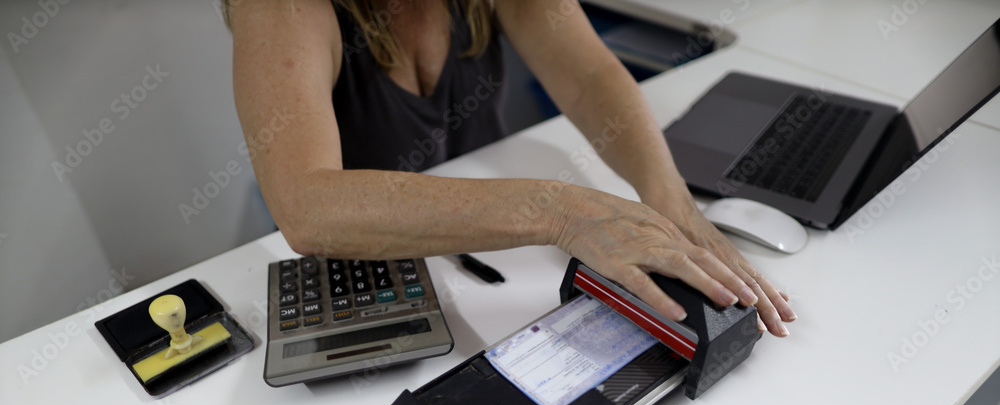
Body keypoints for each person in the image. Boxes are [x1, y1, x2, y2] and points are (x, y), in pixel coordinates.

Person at [223, 0, 796, 334]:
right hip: (350, 246)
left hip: (482, 227)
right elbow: (307, 206)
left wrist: (666, 192)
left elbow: (588, 74)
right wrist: (560, 210)